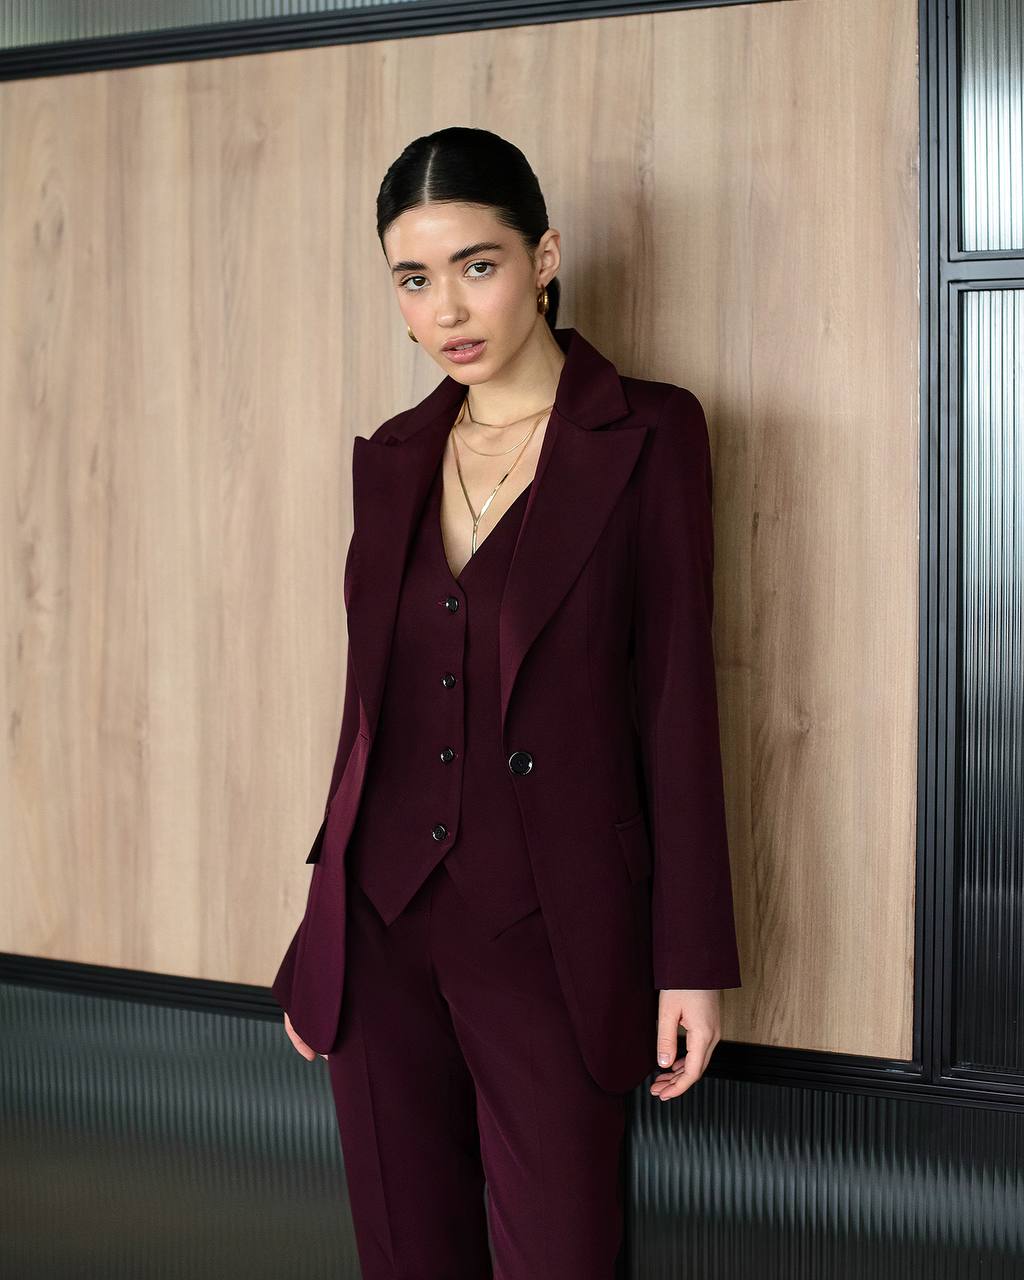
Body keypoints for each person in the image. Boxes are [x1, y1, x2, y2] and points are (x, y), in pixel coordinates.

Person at [272, 125, 742, 1280]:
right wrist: (317, 924)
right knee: (405, 1252)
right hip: (377, 930)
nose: (447, 309)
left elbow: (678, 701)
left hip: (552, 930)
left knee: (561, 1256)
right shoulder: (390, 454)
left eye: (477, 265)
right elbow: (366, 711)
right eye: (414, 279)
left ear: (543, 256)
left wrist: (690, 959)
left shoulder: (650, 433)